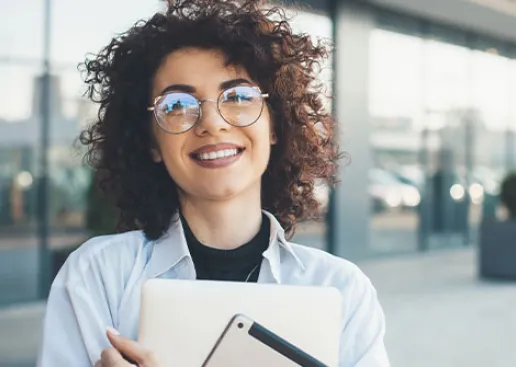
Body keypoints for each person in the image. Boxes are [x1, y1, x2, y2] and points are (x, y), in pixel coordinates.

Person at [37, 0, 390, 366]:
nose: (211, 123)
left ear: (274, 125)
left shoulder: (342, 290)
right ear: (152, 144)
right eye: (176, 105)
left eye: (237, 97)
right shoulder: (99, 276)